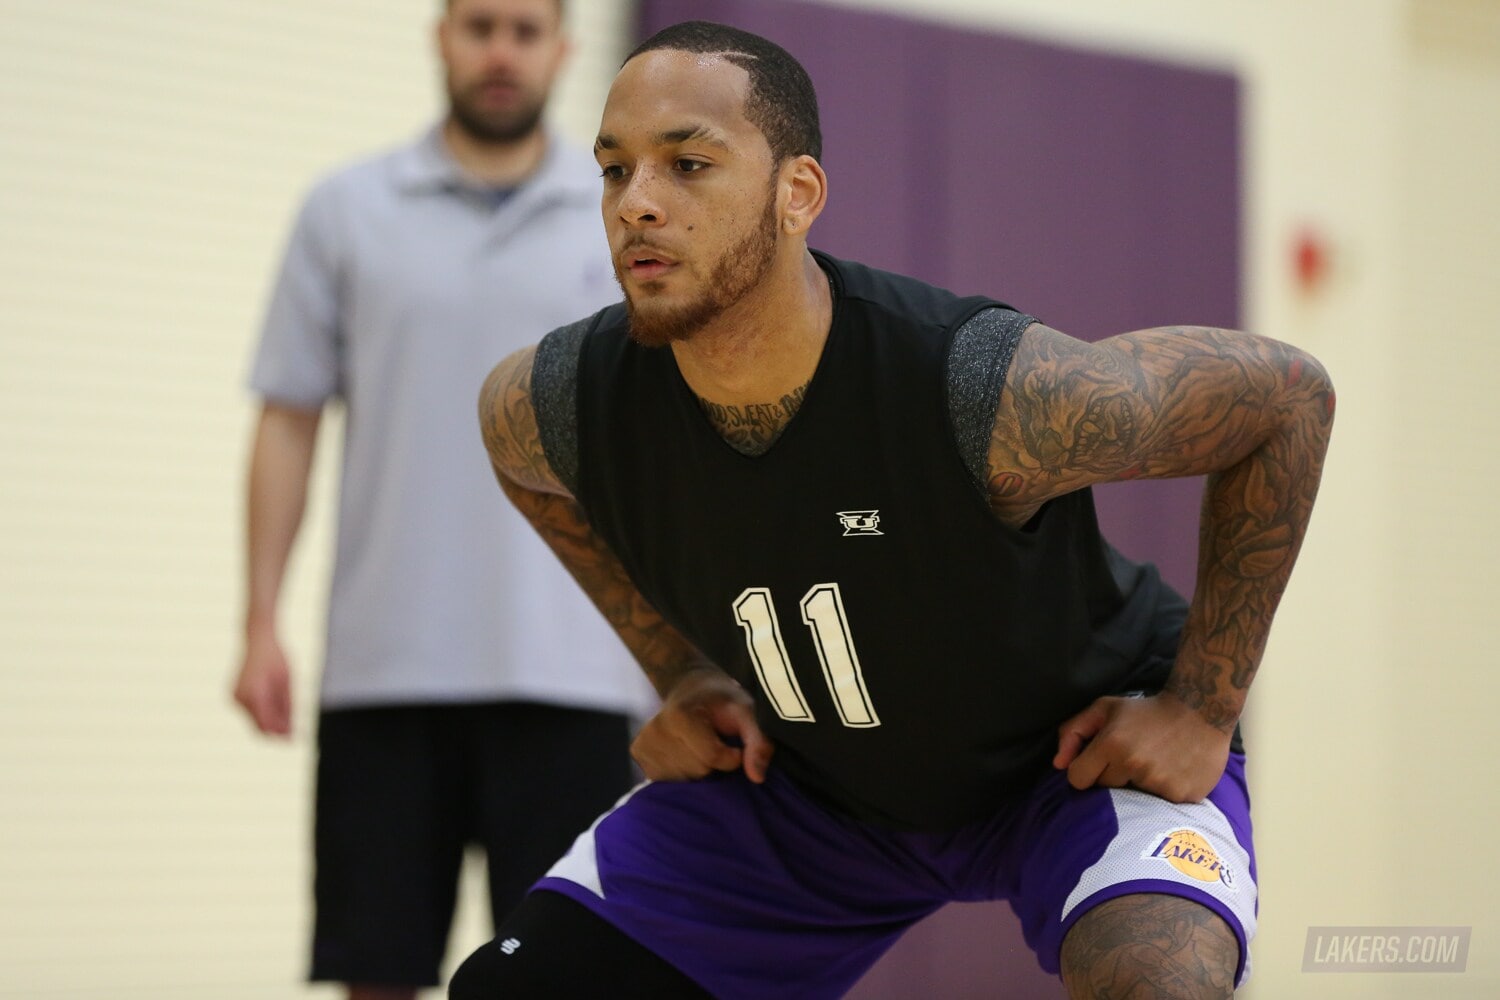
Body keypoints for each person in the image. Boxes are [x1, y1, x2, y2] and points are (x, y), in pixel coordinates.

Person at [451, 20, 1334, 1000]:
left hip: (1070, 764)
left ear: (798, 194)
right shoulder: (563, 401)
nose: (638, 205)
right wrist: (683, 671)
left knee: (1158, 980)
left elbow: (1286, 396)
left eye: (687, 163)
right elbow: (518, 460)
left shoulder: (983, 386)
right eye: (614, 171)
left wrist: (1205, 704)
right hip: (815, 788)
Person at [231, 1, 654, 997]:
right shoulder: (345, 209)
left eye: (522, 28)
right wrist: (258, 621)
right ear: (440, 37)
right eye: (479, 25)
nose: (499, 50)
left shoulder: (627, 219)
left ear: (560, 47)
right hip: (385, 674)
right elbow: (287, 417)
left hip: (579, 674)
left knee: (572, 980)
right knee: (377, 971)